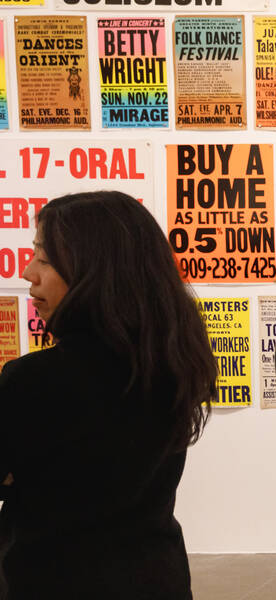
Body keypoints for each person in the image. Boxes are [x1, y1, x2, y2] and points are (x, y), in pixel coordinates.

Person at [0, 191, 215, 599]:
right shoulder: (174, 368)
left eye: (44, 259)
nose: (28, 272)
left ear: (93, 271)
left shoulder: (33, 381)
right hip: (158, 579)